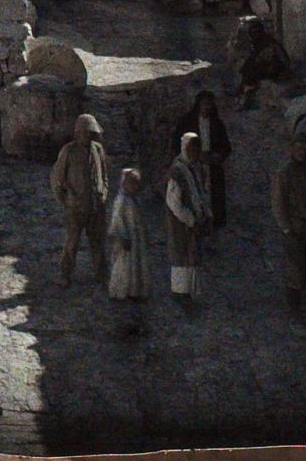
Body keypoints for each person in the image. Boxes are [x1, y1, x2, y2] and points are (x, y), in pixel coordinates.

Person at [50, 113, 110, 288]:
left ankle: (101, 274)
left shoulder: (98, 150)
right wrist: (67, 201)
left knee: (98, 242)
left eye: (92, 133)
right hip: (75, 209)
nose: (90, 136)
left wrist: (103, 194)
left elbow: (104, 175)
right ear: (78, 133)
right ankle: (65, 274)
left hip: (96, 207)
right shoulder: (68, 151)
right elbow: (56, 179)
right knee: (72, 243)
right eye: (87, 132)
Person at [271, 133, 306, 317]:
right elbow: (278, 204)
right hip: (294, 231)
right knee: (295, 273)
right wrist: (286, 229)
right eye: (298, 148)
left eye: (304, 149)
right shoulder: (284, 175)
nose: (302, 152)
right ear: (292, 149)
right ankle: (294, 315)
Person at [164, 131, 212, 306]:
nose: (195, 153)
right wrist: (190, 219)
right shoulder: (176, 171)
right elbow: (173, 202)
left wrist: (206, 214)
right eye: (192, 149)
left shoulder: (197, 168)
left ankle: (192, 292)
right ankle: (180, 293)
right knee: (181, 256)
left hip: (195, 221)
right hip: (181, 223)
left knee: (193, 256)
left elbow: (202, 193)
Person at [174, 91, 234, 228]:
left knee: (213, 201)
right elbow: (177, 145)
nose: (207, 107)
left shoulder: (217, 124)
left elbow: (226, 147)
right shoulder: (187, 123)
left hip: (212, 169)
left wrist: (217, 156)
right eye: (205, 104)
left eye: (210, 104)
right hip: (193, 168)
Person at [105, 166, 153, 336]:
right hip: (126, 242)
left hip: (136, 242)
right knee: (124, 267)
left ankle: (135, 290)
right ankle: (121, 290)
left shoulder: (134, 200)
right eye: (132, 183)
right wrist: (122, 236)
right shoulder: (121, 200)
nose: (135, 187)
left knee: (136, 267)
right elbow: (117, 220)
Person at [228, 16, 292, 105]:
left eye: (257, 32)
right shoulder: (258, 43)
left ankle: (244, 93)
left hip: (277, 69)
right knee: (248, 68)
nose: (255, 35)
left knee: (251, 71)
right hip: (269, 67)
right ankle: (243, 90)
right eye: (253, 33)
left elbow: (279, 59)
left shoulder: (268, 43)